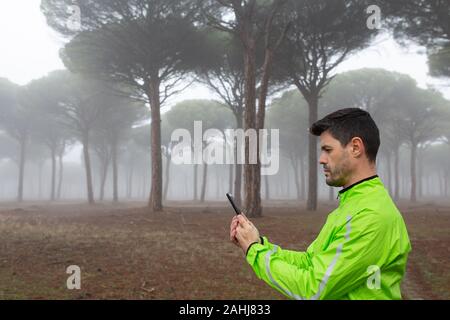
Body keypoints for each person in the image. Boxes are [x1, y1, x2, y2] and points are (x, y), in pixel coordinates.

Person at [229, 108, 411, 300]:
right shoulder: (352, 206)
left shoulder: (371, 215)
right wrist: (258, 243)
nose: (321, 159)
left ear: (356, 147)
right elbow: (310, 262)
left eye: (328, 150)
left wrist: (254, 251)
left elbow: (313, 288)